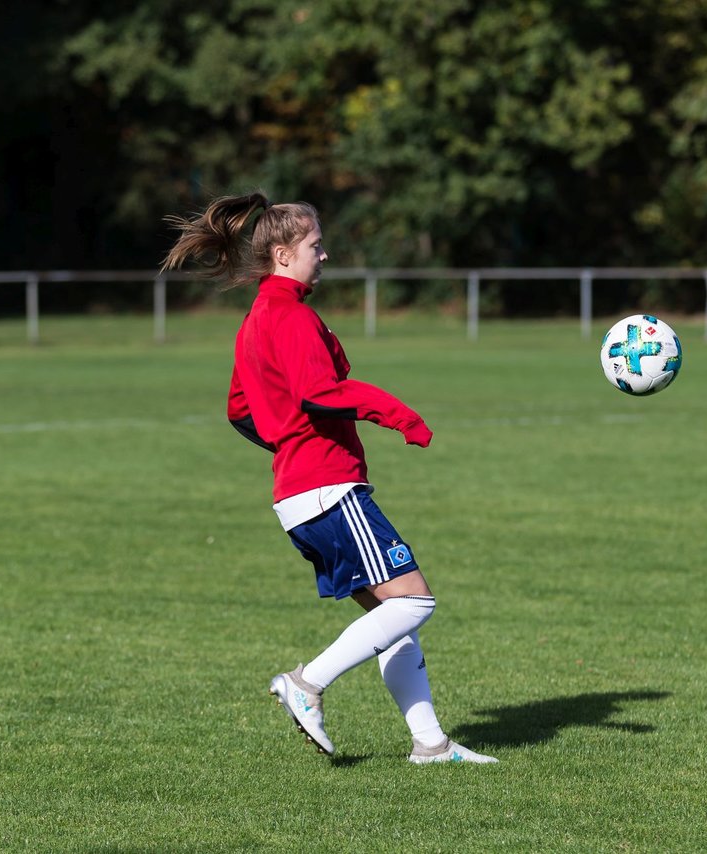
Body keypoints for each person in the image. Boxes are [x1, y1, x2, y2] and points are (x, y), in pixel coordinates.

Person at [161, 191, 496, 764]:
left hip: (299, 495)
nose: (326, 254)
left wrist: (286, 439)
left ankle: (431, 745)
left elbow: (239, 409)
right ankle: (306, 683)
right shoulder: (288, 315)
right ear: (284, 253)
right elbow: (319, 393)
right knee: (415, 603)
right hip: (328, 489)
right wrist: (399, 415)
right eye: (316, 245)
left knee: (393, 622)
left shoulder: (257, 320)